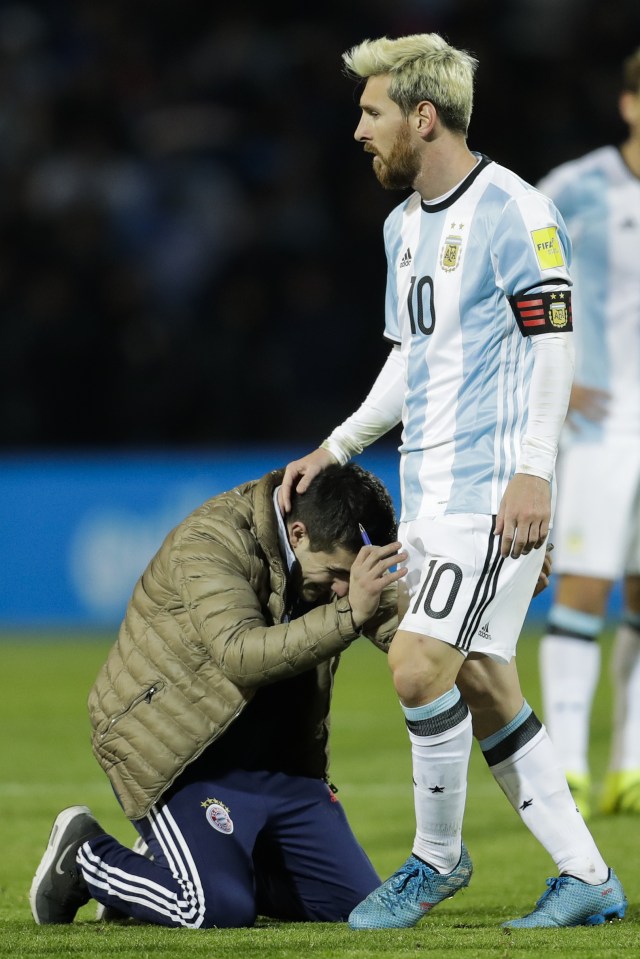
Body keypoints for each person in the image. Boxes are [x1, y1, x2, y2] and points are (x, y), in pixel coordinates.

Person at [281, 33, 627, 930]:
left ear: (422, 117)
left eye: (372, 112)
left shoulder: (518, 211)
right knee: (481, 679)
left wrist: (534, 480)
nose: (360, 129)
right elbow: (412, 357)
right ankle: (586, 874)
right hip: (433, 492)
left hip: (493, 494)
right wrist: (338, 445)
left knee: (416, 665)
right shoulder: (404, 227)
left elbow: (555, 345)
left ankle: (436, 860)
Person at [29, 463, 408, 929]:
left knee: (363, 911)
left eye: (353, 578)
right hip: (181, 753)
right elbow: (239, 654)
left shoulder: (335, 558)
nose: (343, 589)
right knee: (213, 909)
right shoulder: (211, 539)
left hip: (281, 763)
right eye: (336, 574)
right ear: (298, 531)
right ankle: (85, 853)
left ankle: (165, 875)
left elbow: (403, 631)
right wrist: (350, 613)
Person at [536, 47, 640, 821]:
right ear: (629, 104)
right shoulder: (575, 188)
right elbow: (521, 278)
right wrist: (560, 375)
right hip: (600, 427)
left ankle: (630, 766)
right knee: (582, 585)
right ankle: (567, 765)